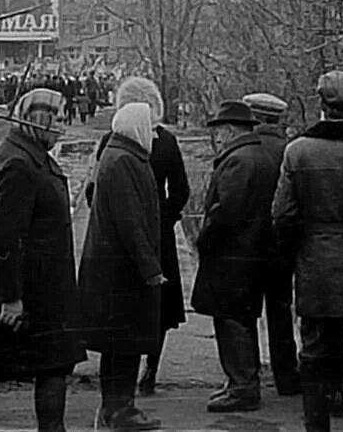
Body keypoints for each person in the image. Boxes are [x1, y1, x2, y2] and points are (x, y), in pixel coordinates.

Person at [0, 89, 84, 432]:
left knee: (52, 366)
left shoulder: (31, 155)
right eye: (59, 120)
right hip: (26, 294)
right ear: (39, 119)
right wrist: (11, 298)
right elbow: (5, 239)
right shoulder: (19, 164)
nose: (64, 128)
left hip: (42, 289)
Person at [271, 71, 343, 432]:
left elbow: (283, 215)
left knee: (315, 355)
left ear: (322, 105)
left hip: (315, 265)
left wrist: (293, 255)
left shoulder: (298, 151)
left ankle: (317, 426)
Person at [95, 76, 190, 398]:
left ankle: (127, 372)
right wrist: (165, 219)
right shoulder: (167, 141)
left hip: (132, 234)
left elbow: (96, 190)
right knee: (157, 304)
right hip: (157, 233)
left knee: (129, 301)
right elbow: (181, 190)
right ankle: (150, 367)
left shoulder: (112, 139)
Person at [80, 103, 165, 430]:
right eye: (151, 127)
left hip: (115, 270)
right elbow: (130, 222)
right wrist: (150, 268)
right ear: (137, 128)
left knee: (120, 346)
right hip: (121, 273)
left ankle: (115, 410)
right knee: (124, 345)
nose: (155, 134)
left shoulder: (121, 156)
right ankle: (119, 412)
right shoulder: (123, 161)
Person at [191, 100, 278, 413]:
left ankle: (242, 387)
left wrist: (204, 239)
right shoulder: (259, 155)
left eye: (218, 131)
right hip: (252, 252)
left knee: (231, 321)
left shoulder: (238, 160)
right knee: (241, 319)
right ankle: (241, 382)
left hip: (233, 255)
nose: (216, 138)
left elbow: (226, 210)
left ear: (229, 130)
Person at [242, 91, 300, 397]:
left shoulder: (241, 149)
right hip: (281, 245)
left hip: (247, 246)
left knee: (246, 313)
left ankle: (248, 376)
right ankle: (286, 376)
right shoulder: (290, 149)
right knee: (280, 310)